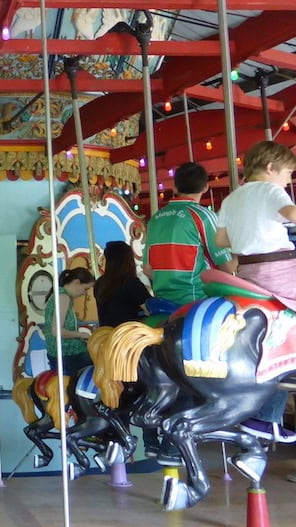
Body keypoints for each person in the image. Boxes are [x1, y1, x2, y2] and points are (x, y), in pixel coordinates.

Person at [215, 140, 296, 444]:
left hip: (248, 275)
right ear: (271, 167)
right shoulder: (271, 190)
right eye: (288, 173)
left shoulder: (232, 199)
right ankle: (268, 415)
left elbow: (222, 240)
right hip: (280, 271)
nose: (288, 180)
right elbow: (292, 214)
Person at [143, 161, 235, 307]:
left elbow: (148, 268)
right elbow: (228, 267)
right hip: (197, 300)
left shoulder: (155, 219)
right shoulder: (203, 216)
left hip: (162, 303)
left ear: (175, 187)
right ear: (205, 187)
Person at [43, 267, 95, 376]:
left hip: (60, 352)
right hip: (66, 354)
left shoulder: (61, 295)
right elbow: (56, 331)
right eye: (85, 289)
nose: (85, 293)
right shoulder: (63, 297)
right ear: (76, 282)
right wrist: (81, 335)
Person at [94, 241, 151, 327]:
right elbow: (150, 309)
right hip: (126, 335)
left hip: (105, 334)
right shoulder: (131, 283)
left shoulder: (99, 283)